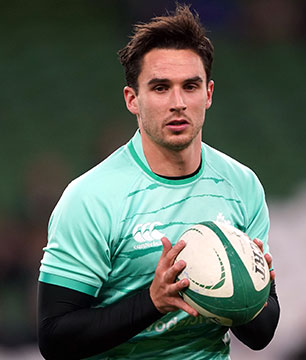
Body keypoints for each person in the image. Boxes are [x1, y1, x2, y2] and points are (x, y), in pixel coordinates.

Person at [37, 4, 279, 359]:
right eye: (161, 88)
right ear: (133, 99)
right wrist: (153, 301)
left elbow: (261, 335)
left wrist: (247, 290)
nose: (178, 103)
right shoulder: (90, 198)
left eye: (190, 86)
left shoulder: (242, 185)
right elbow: (54, 338)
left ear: (208, 94)